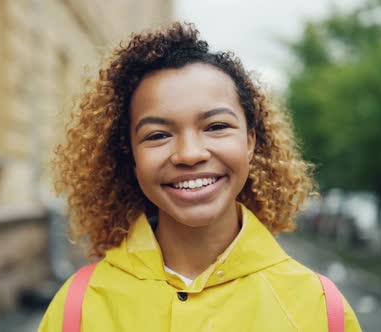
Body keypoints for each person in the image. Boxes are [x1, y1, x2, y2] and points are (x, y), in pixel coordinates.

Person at [39, 22, 362, 331]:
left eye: (216, 127)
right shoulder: (77, 308)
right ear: (131, 156)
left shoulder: (320, 308)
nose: (190, 154)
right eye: (157, 135)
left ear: (250, 141)